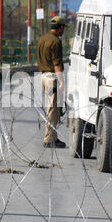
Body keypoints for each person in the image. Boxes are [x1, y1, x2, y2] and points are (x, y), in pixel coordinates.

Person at [37, 16, 67, 148]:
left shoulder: (42, 39)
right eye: (63, 28)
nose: (64, 30)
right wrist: (61, 82)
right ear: (60, 27)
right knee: (51, 108)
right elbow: (57, 64)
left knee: (54, 108)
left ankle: (54, 137)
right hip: (52, 77)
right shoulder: (56, 41)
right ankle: (48, 139)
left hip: (43, 75)